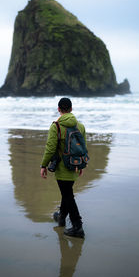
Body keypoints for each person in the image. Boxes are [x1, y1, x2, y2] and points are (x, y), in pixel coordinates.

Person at [40, 97, 87, 238]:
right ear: (71, 109)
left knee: (68, 195)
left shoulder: (56, 126)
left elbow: (50, 148)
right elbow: (83, 148)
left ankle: (78, 226)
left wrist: (43, 165)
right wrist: (82, 165)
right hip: (76, 165)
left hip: (62, 168)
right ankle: (61, 217)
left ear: (59, 109)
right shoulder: (81, 126)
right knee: (67, 193)